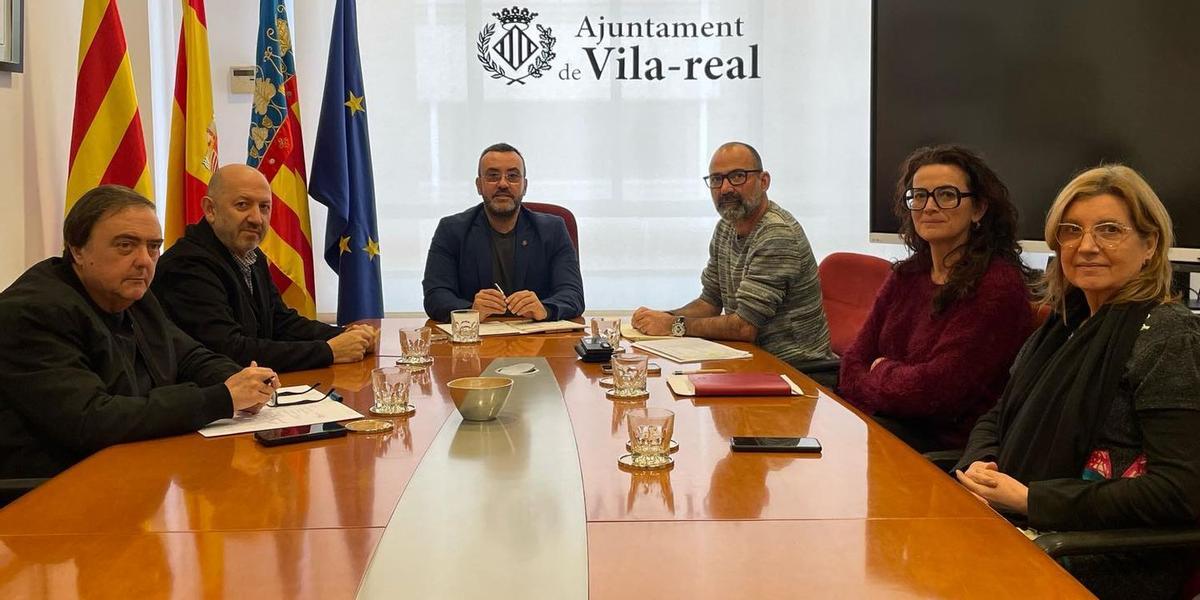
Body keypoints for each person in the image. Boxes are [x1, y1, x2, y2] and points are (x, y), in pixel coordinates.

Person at [954, 165, 1200, 599]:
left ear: (1150, 245)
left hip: (1100, 557)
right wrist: (982, 463)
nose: (1087, 246)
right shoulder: (1063, 325)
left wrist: (1032, 500)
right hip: (1024, 526)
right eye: (1071, 230)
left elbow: (1180, 490)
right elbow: (999, 413)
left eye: (1109, 230)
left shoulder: (1168, 336)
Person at [0, 185, 278, 479]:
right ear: (77, 250)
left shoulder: (134, 294)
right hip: (50, 492)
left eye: (153, 246)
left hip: (128, 469)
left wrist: (242, 381)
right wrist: (223, 398)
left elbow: (189, 356)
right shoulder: (34, 311)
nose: (145, 260)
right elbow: (92, 419)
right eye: (125, 245)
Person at [837, 145, 1034, 452]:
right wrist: (883, 378)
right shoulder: (907, 275)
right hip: (884, 425)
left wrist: (880, 370)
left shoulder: (997, 286)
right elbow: (852, 363)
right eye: (918, 195)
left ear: (979, 208)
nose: (929, 207)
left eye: (946, 195)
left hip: (940, 450)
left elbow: (935, 393)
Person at [153, 164, 378, 371]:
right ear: (210, 209)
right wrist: (329, 351)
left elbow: (281, 322)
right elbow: (229, 350)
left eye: (264, 207)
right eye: (242, 205)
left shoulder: (251, 255)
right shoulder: (186, 266)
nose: (256, 219)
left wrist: (348, 336)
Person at [631, 141, 831, 370]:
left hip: (794, 373)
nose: (725, 188)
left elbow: (745, 327)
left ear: (764, 181)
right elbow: (709, 302)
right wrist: (660, 317)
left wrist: (673, 325)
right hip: (748, 362)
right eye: (716, 179)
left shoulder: (777, 234)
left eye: (737, 176)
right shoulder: (726, 227)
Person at [422, 143, 584, 322]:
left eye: (513, 176)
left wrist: (545, 309)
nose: (503, 184)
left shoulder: (553, 230)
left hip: (538, 341)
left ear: (525, 185)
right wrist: (470, 311)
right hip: (476, 341)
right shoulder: (451, 230)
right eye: (493, 176)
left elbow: (573, 294)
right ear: (479, 185)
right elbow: (435, 295)